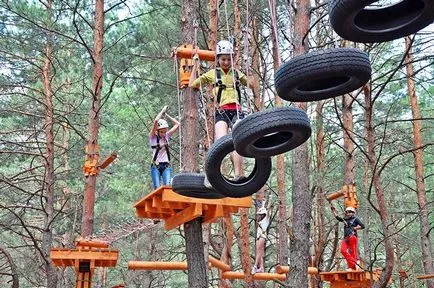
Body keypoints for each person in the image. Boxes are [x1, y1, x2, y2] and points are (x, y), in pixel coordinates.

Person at [189, 40, 253, 181]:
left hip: (236, 111)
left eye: (228, 59)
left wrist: (249, 69)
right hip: (222, 112)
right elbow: (193, 84)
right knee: (221, 141)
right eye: (223, 59)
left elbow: (251, 84)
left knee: (237, 141)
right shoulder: (213, 73)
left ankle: (238, 174)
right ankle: (213, 174)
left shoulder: (236, 73)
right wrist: (195, 65)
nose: (226, 62)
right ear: (218, 59)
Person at [149, 105, 180, 189]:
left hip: (166, 165)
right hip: (156, 166)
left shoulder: (166, 136)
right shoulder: (152, 138)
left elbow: (178, 124)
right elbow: (156, 121)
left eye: (165, 131)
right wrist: (162, 111)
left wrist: (167, 116)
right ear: (157, 131)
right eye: (161, 132)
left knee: (168, 187)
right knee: (157, 187)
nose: (163, 134)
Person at [331, 206, 365, 271]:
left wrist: (355, 228)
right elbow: (338, 218)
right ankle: (355, 263)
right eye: (347, 212)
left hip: (352, 236)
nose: (348, 213)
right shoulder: (345, 219)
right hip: (345, 238)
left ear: (353, 213)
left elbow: (363, 226)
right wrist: (333, 211)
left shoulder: (355, 219)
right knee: (343, 250)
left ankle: (352, 267)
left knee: (352, 252)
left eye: (349, 212)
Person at [252, 196, 271, 274]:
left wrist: (269, 200)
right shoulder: (260, 222)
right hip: (258, 237)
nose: (258, 216)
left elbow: (268, 209)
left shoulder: (266, 220)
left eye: (259, 215)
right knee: (259, 252)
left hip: (262, 236)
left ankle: (255, 266)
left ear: (262, 215)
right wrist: (263, 203)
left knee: (259, 252)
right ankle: (261, 267)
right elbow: (263, 207)